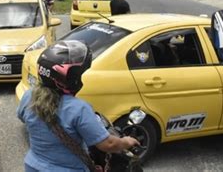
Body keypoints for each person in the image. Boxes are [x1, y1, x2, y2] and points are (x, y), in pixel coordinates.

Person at [17, 40, 139, 172]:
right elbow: (108, 144)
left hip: (33, 166)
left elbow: (23, 117)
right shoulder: (78, 109)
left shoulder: (29, 96)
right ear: (69, 78)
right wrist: (127, 141)